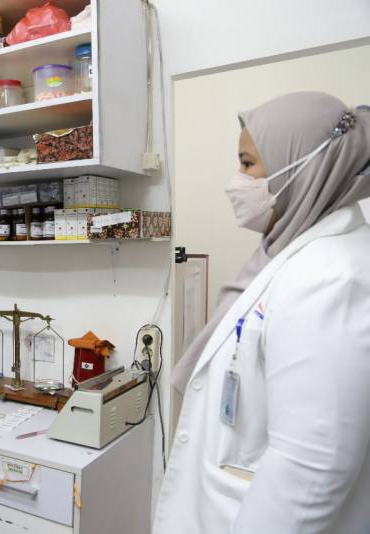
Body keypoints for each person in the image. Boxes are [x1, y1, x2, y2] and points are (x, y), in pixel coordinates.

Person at [154, 93, 370, 533]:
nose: (236, 182)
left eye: (248, 164)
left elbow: (310, 468)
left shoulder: (329, 277)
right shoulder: (287, 254)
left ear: (303, 166)